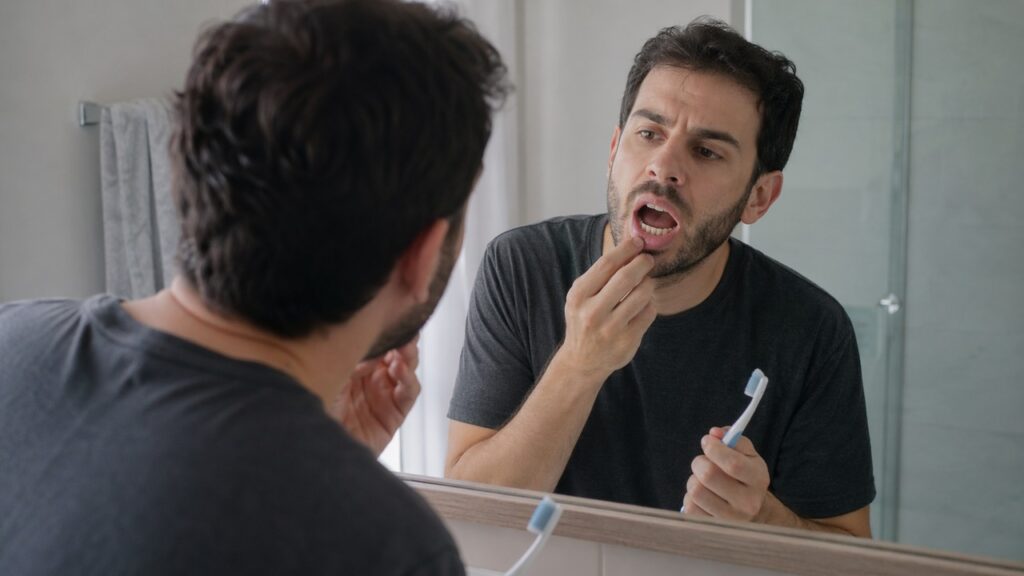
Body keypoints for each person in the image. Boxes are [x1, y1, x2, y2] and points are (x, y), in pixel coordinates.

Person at [0, 1, 508, 574]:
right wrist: (327, 485)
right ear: (420, 255)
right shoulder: (387, 545)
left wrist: (320, 459)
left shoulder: (11, 344)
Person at [445, 18, 875, 538]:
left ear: (759, 197)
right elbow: (470, 513)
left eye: (707, 151)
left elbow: (851, 553)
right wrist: (579, 366)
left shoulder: (810, 330)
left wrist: (763, 517)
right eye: (648, 133)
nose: (663, 166)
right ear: (613, 151)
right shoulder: (521, 269)